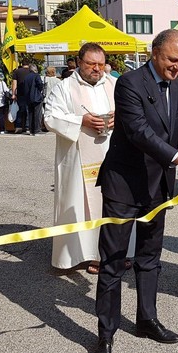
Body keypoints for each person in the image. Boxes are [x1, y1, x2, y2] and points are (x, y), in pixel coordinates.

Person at [91, 29, 178, 353]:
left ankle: (146, 319)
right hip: (124, 186)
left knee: (150, 258)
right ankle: (105, 334)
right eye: (172, 60)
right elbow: (139, 131)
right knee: (113, 261)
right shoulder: (129, 83)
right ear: (154, 53)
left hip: (158, 188)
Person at [44, 43, 119, 273]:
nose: (97, 69)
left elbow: (133, 111)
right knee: (79, 205)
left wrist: (119, 118)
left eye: (101, 64)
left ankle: (114, 254)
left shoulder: (114, 84)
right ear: (78, 62)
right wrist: (81, 121)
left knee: (114, 205)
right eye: (91, 64)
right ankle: (82, 255)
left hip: (112, 155)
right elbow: (50, 117)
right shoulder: (65, 87)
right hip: (77, 159)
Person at [23, 64, 44, 135]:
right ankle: (37, 129)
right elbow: (40, 84)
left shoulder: (26, 77)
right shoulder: (36, 75)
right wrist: (41, 89)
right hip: (36, 97)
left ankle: (31, 129)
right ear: (35, 69)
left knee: (30, 114)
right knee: (37, 114)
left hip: (28, 98)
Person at [11, 60, 31, 133]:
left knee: (20, 110)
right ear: (28, 64)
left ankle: (18, 126)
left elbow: (14, 84)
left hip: (20, 93)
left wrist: (13, 94)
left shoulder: (17, 72)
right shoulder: (31, 71)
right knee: (28, 110)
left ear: (22, 64)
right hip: (29, 94)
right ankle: (28, 127)